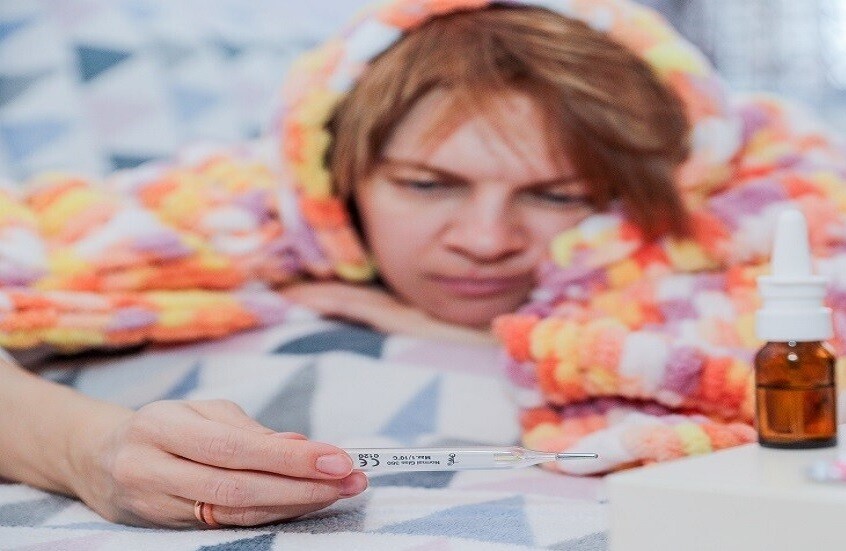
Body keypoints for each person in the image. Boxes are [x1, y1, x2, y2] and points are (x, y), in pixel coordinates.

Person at [1, 0, 845, 528]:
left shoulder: (753, 214)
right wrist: (84, 448)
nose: (485, 238)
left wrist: (508, 337)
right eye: (427, 183)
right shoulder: (233, 203)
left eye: (558, 195)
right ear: (335, 179)